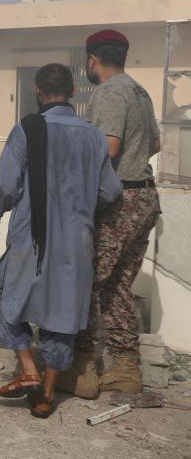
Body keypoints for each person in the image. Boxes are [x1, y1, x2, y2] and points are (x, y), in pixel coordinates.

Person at [0, 63, 121, 419]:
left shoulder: (28, 128)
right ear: (74, 93)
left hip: (32, 236)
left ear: (38, 92)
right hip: (77, 241)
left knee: (4, 290)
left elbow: (4, 186)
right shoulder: (93, 135)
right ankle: (45, 396)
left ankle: (27, 368)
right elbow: (110, 190)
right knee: (62, 312)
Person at [59, 30, 162, 398]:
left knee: (88, 280)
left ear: (92, 59)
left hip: (120, 203)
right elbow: (155, 143)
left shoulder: (106, 92)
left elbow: (109, 146)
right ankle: (125, 367)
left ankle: (82, 367)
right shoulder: (139, 90)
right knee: (118, 286)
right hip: (146, 200)